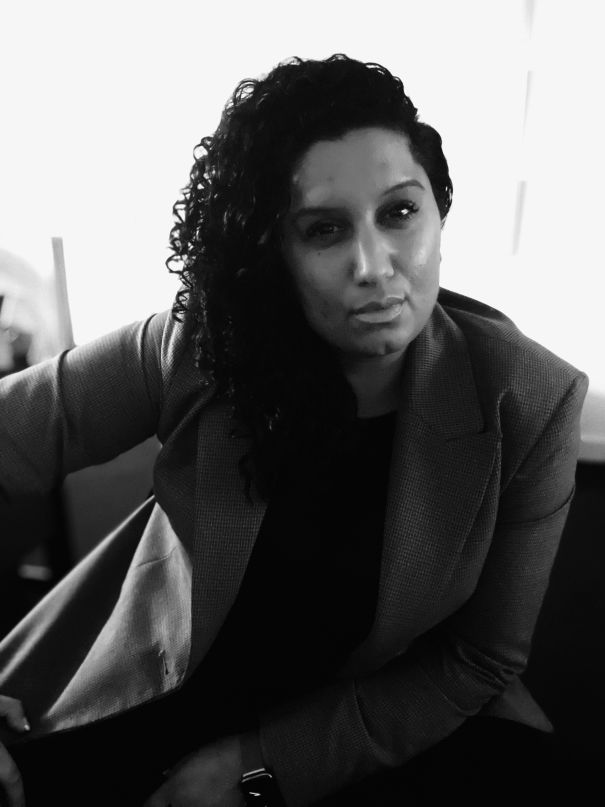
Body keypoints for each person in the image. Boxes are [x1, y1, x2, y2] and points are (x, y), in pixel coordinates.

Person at [0, 54, 589, 807]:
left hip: (374, 717)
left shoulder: (531, 400)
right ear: (272, 250)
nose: (373, 266)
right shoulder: (201, 343)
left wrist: (256, 766)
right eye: (324, 229)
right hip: (160, 689)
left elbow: (478, 659)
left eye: (399, 213)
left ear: (439, 216)